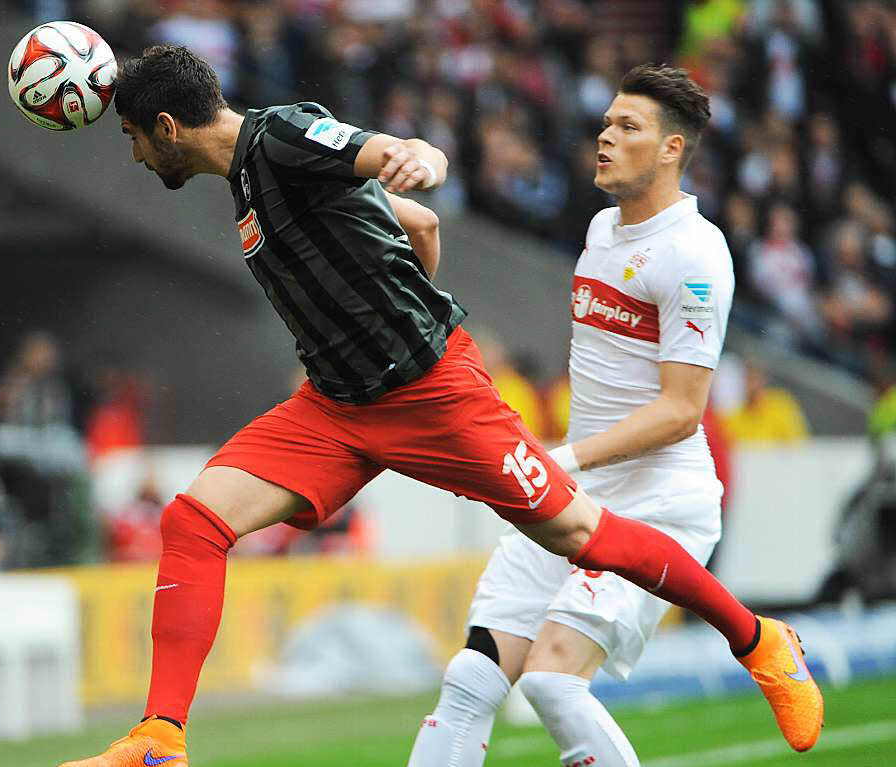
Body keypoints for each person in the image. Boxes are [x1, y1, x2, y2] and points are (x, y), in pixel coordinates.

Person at [59, 47, 822, 767]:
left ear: (166, 128)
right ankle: (161, 736)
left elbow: (390, 156)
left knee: (580, 533)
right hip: (336, 405)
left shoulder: (280, 137)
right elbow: (418, 226)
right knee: (194, 518)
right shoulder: (250, 183)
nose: (133, 155)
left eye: (132, 137)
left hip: (431, 394)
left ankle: (756, 638)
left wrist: (416, 157)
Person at [407, 64, 761, 767]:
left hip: (655, 508)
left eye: (629, 127)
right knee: (472, 676)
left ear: (670, 150)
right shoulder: (601, 229)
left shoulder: (694, 254)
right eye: (607, 122)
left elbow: (683, 410)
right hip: (575, 495)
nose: (606, 136)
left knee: (552, 681)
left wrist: (561, 458)